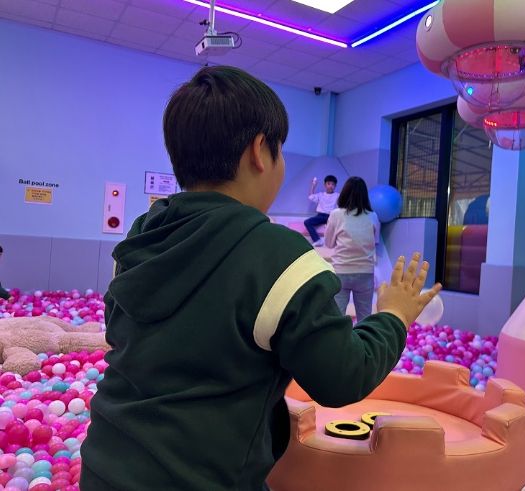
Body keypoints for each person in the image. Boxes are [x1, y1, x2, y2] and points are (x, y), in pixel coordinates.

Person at [80, 66, 441, 491]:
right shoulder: (279, 256)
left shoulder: (141, 239)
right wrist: (393, 315)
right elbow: (343, 376)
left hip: (104, 465)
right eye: (280, 150)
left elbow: (126, 335)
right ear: (259, 151)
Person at [325, 176, 380, 322]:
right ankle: (364, 337)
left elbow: (329, 243)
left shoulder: (336, 214)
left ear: (344, 193)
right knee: (365, 318)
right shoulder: (373, 216)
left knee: (337, 319)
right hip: (365, 272)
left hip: (341, 271)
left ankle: (339, 338)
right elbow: (375, 242)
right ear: (365, 196)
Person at [304, 175, 339, 246]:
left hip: (332, 216)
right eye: (328, 184)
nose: (330, 186)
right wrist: (313, 185)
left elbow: (344, 203)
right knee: (307, 222)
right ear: (325, 185)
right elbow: (311, 196)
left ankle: (337, 243)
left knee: (340, 225)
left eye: (333, 184)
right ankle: (317, 240)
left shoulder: (338, 195)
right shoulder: (320, 195)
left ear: (335, 186)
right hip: (320, 216)